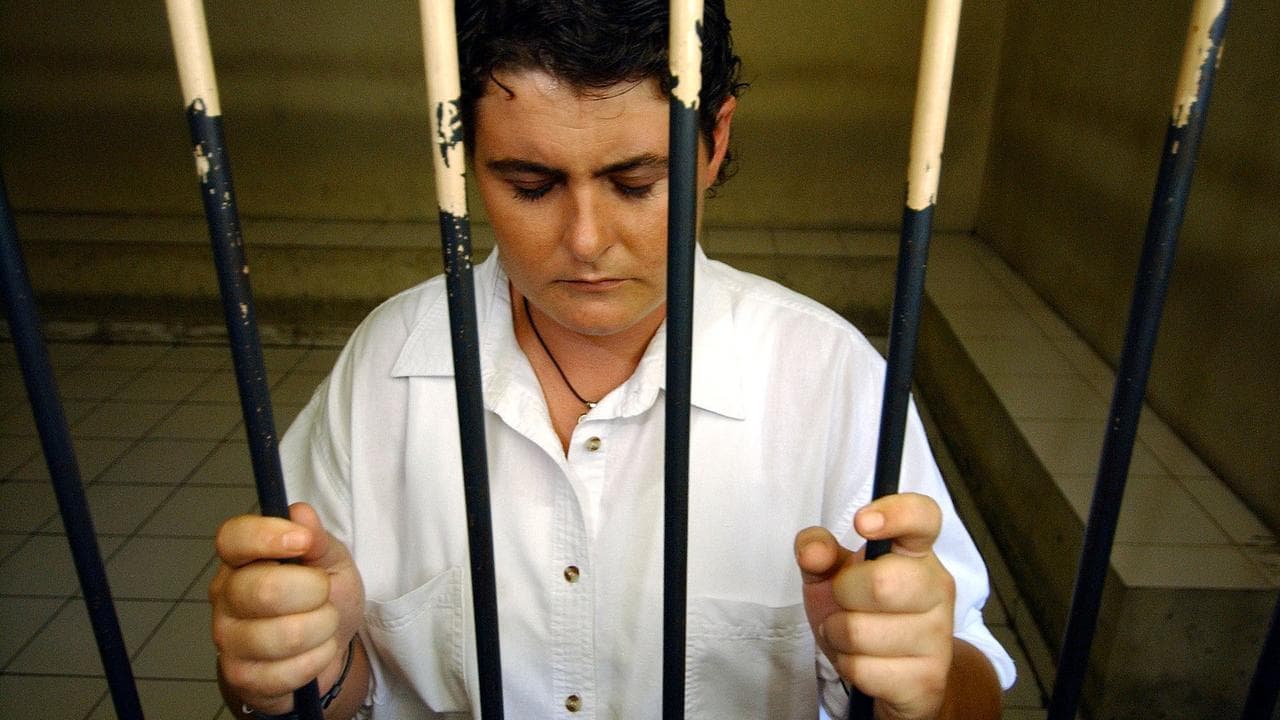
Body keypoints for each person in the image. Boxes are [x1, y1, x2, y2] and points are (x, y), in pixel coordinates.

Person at [209, 1, 1015, 718]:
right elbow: (329, 687)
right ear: (461, 149)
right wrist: (295, 673)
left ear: (715, 141)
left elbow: (972, 686)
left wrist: (921, 688)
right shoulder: (388, 369)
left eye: (636, 182)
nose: (587, 240)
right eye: (531, 184)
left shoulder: (828, 377)